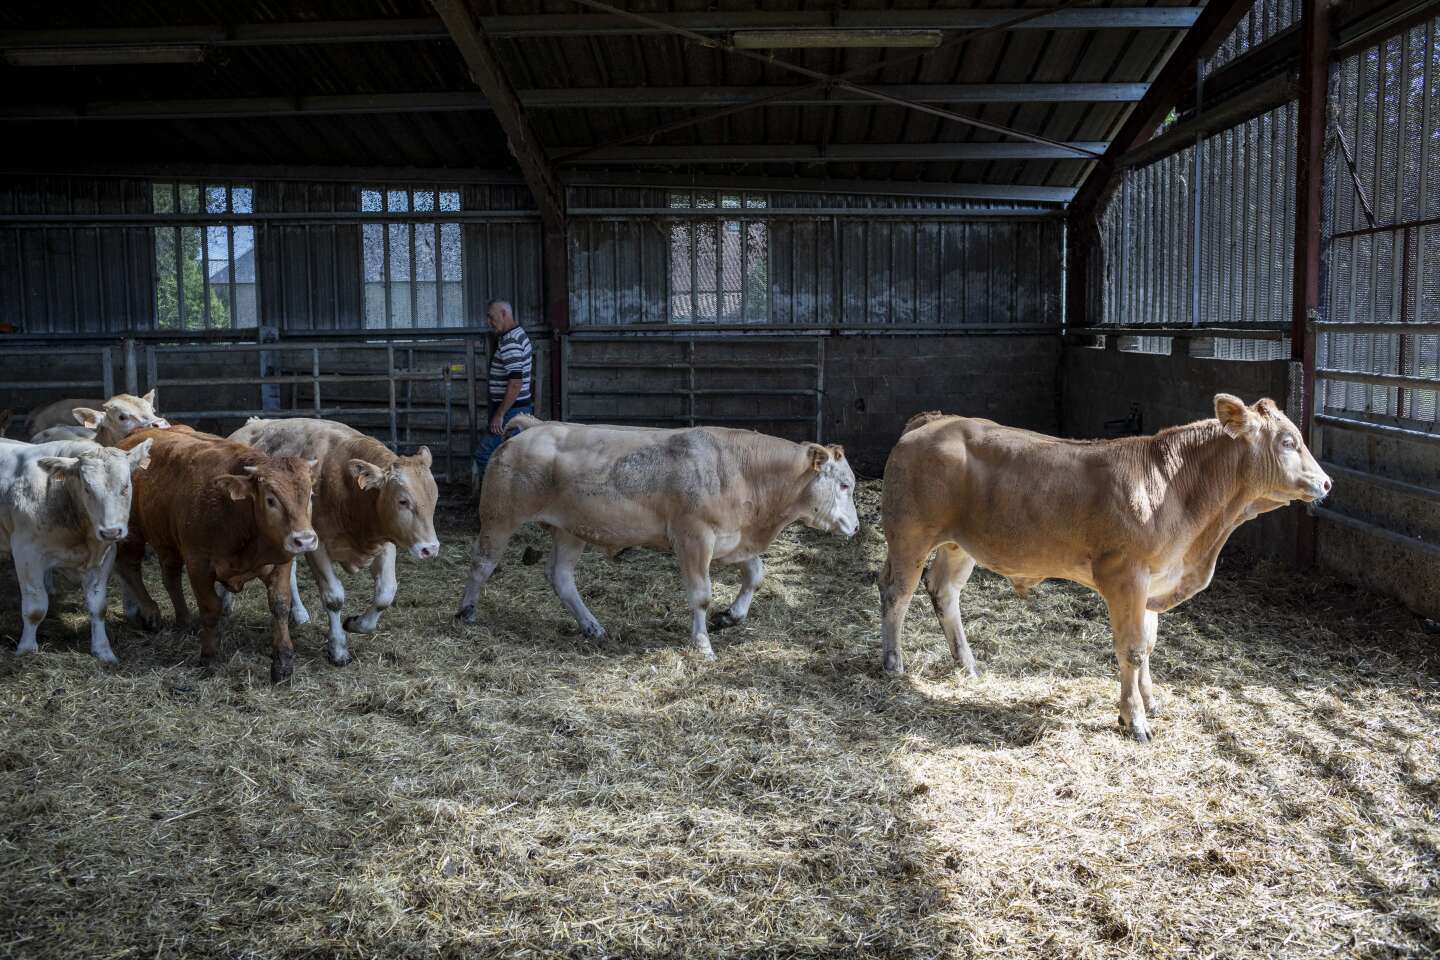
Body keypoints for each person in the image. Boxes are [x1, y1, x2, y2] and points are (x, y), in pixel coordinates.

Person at [474, 299, 534, 478]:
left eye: (491, 317)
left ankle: (496, 500)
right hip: (517, 408)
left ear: (504, 314)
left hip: (511, 411)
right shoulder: (519, 334)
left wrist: (499, 415)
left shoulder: (510, 341)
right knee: (512, 457)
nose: (489, 322)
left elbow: (515, 383)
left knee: (484, 454)